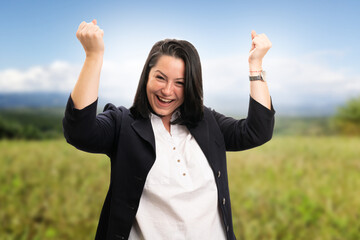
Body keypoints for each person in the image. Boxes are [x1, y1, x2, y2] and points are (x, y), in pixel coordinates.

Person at [63, 19, 275, 240]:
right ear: (147, 76)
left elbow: (257, 131)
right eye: (160, 78)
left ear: (191, 86)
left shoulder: (207, 122)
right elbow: (80, 132)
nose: (167, 90)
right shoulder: (123, 124)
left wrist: (256, 65)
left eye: (180, 83)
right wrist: (93, 56)